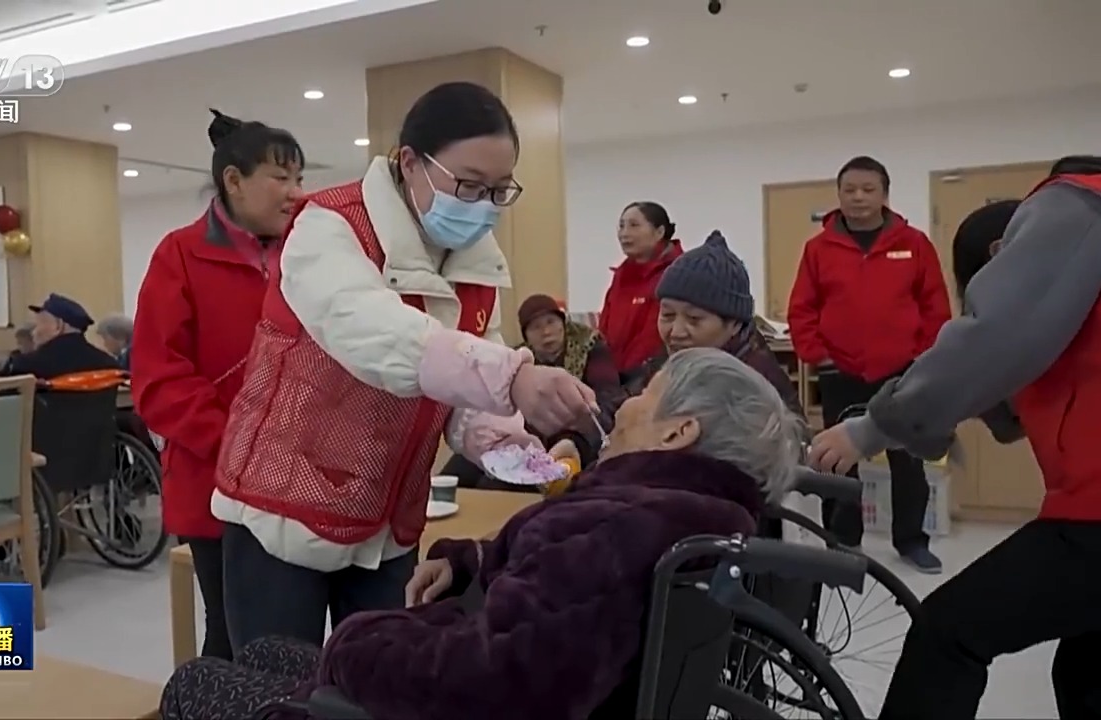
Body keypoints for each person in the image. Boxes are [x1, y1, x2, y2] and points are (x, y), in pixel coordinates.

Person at [161, 347, 806, 720]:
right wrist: (471, 561)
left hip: (438, 699)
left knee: (194, 681)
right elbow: (559, 594)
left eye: (648, 393)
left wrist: (360, 639)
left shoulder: (620, 527)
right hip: (492, 665)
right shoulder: (694, 515)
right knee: (261, 652)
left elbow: (497, 683)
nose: (626, 402)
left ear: (678, 432)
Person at [212, 81, 596, 652]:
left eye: (498, 191)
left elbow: (465, 387)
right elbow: (375, 335)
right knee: (280, 684)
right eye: (469, 185)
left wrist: (515, 449)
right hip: (284, 513)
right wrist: (513, 376)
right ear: (411, 162)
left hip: (389, 519)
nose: (482, 206)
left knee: (380, 677)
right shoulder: (330, 226)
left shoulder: (475, 262)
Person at [808, 156, 1101, 720]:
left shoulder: (1072, 204)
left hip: (1092, 516)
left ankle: (910, 536)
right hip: (868, 373)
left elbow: (995, 336)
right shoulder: (821, 249)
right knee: (1086, 663)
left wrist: (879, 425)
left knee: (946, 633)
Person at [132, 111, 304, 661]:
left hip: (303, 479)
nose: (295, 192)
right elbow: (159, 379)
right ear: (234, 180)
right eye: (280, 178)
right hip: (216, 479)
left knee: (294, 636)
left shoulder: (309, 251)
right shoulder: (180, 254)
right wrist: (240, 443)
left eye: (299, 179)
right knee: (234, 632)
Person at [786, 155, 951, 572]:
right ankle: (842, 540)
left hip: (903, 374)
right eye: (849, 190)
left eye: (868, 189)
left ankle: (911, 540)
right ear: (839, 195)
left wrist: (923, 359)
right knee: (838, 462)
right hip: (840, 371)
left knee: (908, 461)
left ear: (884, 195)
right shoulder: (818, 249)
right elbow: (802, 309)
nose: (858, 197)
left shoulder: (914, 243)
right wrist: (819, 356)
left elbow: (935, 306)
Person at [442, 293, 626, 489]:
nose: (546, 332)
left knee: (490, 486)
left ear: (563, 324)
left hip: (577, 443)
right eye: (536, 327)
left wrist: (575, 436)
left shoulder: (590, 348)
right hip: (522, 440)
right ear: (526, 336)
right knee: (456, 473)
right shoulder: (517, 363)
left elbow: (608, 402)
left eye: (551, 322)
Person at [635, 231, 803, 416]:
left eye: (693, 319)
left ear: (734, 324)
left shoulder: (758, 388)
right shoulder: (662, 366)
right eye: (668, 315)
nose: (676, 332)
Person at [599, 201, 683, 388]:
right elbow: (604, 327)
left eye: (634, 225)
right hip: (614, 380)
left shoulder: (675, 273)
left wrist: (634, 378)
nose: (624, 233)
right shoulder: (622, 275)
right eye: (621, 226)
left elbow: (656, 337)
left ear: (659, 232)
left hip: (654, 379)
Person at [2, 293, 118, 380]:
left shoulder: (25, 367)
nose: (33, 333)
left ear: (58, 325)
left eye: (38, 325)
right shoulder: (110, 365)